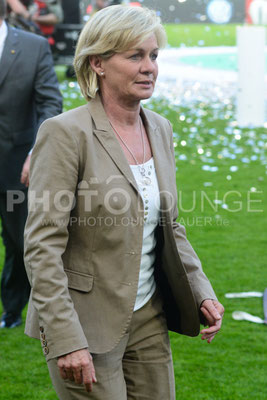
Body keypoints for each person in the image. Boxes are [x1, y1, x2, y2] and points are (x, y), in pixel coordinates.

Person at [24, 5, 224, 399]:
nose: (149, 67)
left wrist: (201, 290)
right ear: (97, 63)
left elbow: (171, 225)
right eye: (135, 56)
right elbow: (42, 247)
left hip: (149, 315)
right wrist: (66, 338)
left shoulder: (160, 128)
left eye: (153, 56)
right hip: (85, 322)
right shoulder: (65, 133)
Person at [0, 0, 62, 328]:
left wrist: (35, 152)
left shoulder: (32, 47)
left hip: (15, 167)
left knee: (20, 241)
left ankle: (13, 310)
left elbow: (50, 102)